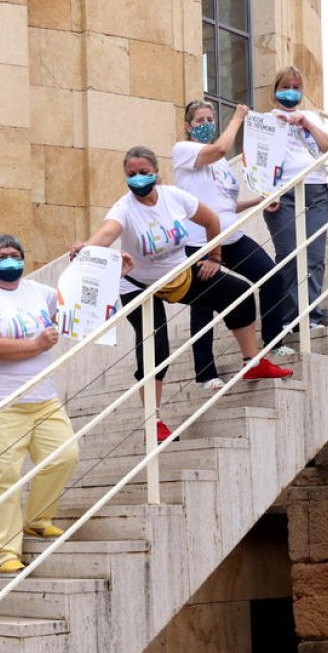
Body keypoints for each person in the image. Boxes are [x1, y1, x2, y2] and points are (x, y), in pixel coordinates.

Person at [71, 146, 292, 443]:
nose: (138, 179)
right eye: (131, 175)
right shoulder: (124, 208)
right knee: (155, 347)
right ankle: (155, 421)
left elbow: (212, 220)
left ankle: (253, 363)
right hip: (138, 284)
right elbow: (107, 233)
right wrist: (86, 247)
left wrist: (214, 257)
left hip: (178, 276)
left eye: (144, 173)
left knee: (238, 292)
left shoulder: (174, 197)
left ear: (156, 173)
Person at [0, 234, 82, 576]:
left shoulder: (38, 293)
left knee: (64, 455)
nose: (11, 261)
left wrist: (99, 270)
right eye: (3, 256)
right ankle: (6, 553)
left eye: (17, 255)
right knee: (4, 478)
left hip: (41, 398)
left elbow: (77, 304)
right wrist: (35, 345)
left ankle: (38, 519)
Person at [173, 100, 296, 383]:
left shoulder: (221, 168)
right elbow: (219, 148)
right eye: (200, 120)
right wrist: (239, 116)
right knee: (203, 306)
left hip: (232, 236)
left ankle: (274, 343)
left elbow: (227, 204)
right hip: (199, 241)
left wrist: (259, 202)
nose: (206, 124)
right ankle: (205, 375)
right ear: (188, 126)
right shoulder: (185, 151)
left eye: (210, 119)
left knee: (270, 277)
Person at [262, 65, 328, 329]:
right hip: (283, 194)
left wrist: (305, 123)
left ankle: (311, 315)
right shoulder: (266, 120)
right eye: (285, 87)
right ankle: (287, 317)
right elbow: (257, 161)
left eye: (296, 88)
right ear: (275, 91)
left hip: (315, 189)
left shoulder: (310, 116)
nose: (291, 93)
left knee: (314, 255)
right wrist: (266, 193)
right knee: (289, 255)